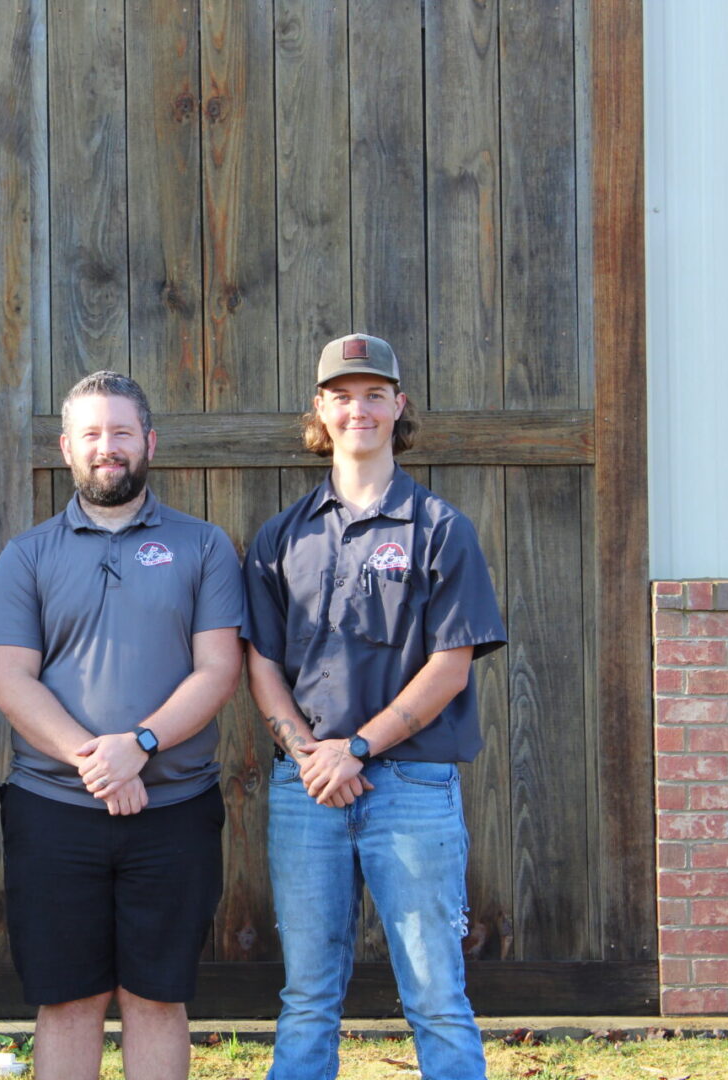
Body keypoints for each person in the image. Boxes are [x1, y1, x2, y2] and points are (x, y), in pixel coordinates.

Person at [244, 333, 507, 1080]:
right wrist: (311, 755)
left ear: (398, 407)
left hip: (412, 787)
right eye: (341, 396)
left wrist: (355, 749)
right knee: (306, 997)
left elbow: (449, 667)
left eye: (373, 395)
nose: (356, 409)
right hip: (308, 790)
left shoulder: (441, 528)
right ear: (319, 411)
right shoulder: (279, 537)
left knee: (435, 994)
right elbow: (261, 664)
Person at [0, 371, 246, 1080]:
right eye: (92, 434)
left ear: (149, 443)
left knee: (156, 997)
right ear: (66, 448)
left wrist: (141, 745)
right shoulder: (27, 554)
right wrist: (98, 762)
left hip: (175, 809)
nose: (108, 447)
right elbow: (9, 679)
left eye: (122, 432)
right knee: (68, 999)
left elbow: (218, 669)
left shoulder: (203, 546)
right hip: (54, 810)